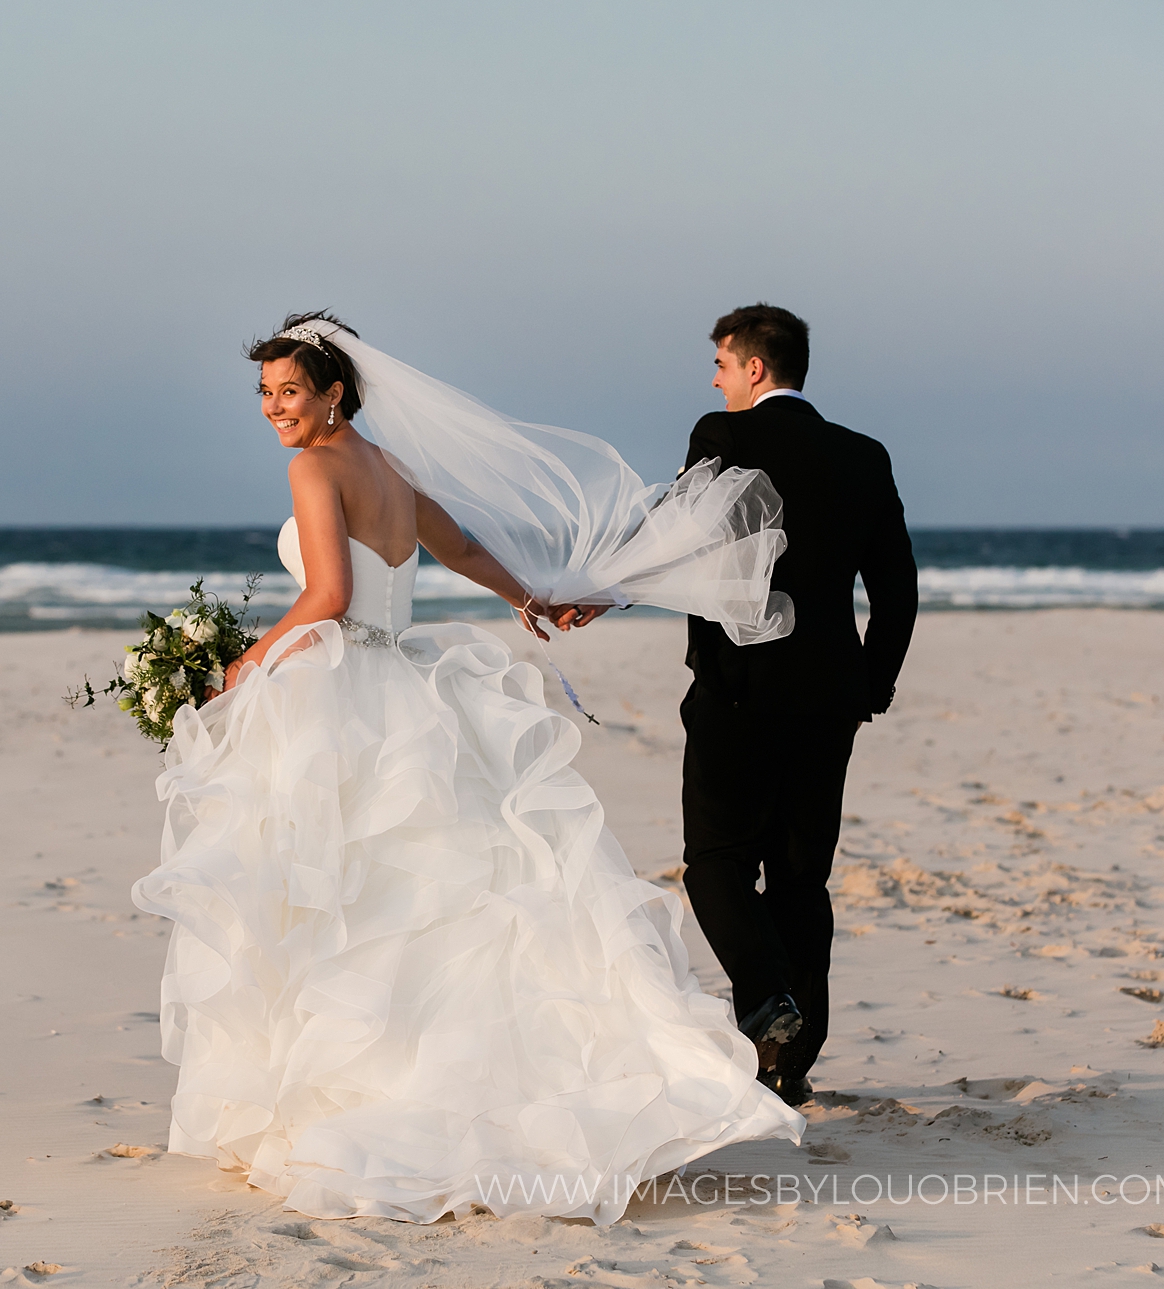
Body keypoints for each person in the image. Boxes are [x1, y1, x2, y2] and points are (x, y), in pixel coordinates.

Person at [128, 312, 802, 1226]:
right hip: (410, 681)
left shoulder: (315, 467)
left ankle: (367, 1104)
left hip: (347, 686)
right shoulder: (393, 470)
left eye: (290, 392)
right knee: (450, 888)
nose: (274, 410)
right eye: (264, 394)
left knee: (351, 894)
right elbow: (462, 548)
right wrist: (531, 597)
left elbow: (326, 596)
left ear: (334, 392)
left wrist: (246, 665)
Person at [675, 304, 918, 1105]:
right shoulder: (863, 455)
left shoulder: (724, 436)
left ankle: (764, 995)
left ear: (753, 368)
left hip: (736, 693)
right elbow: (897, 591)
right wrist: (868, 686)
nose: (714, 379)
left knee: (715, 862)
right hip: (827, 702)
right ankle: (793, 1061)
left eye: (720, 363)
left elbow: (676, 546)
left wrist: (594, 592)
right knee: (800, 879)